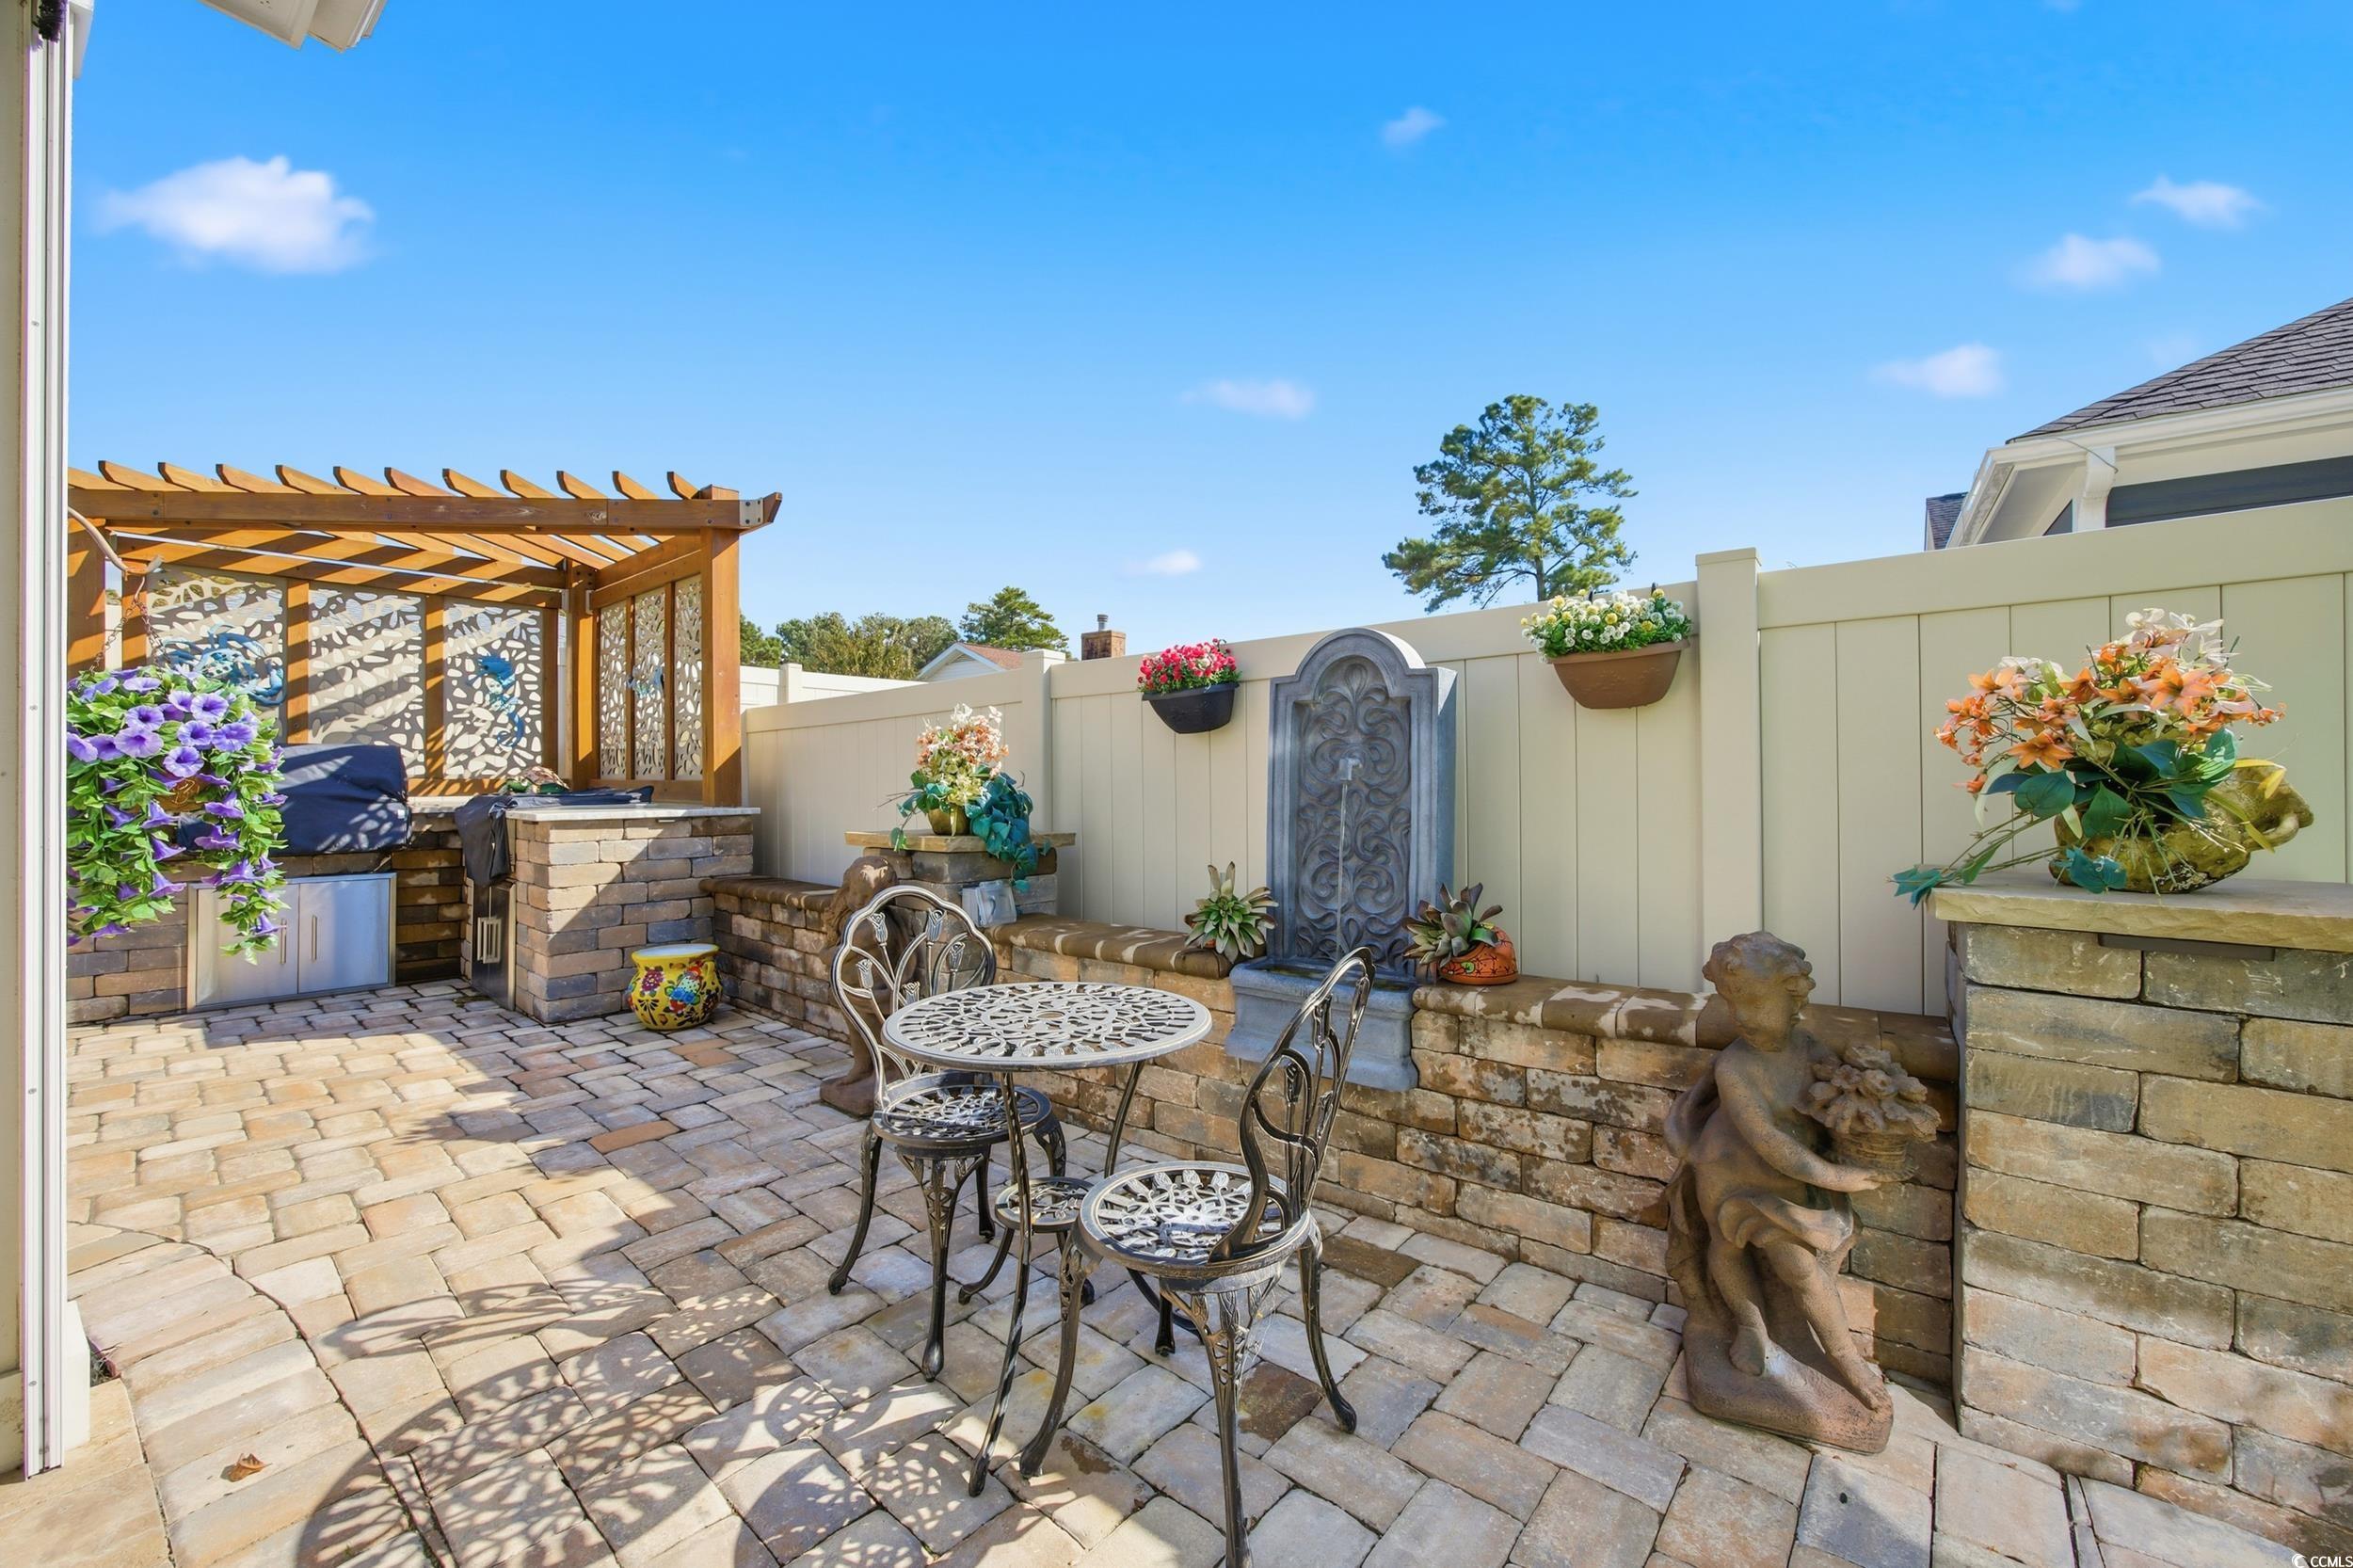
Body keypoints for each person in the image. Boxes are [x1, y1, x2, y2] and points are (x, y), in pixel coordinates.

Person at [1665, 931, 1889, 1412]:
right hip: (1729, 1174)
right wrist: (1836, 1177)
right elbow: (1769, 1142)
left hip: (1790, 1179)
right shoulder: (1735, 1066)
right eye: (1732, 1005)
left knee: (1802, 1270)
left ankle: (1845, 1357)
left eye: (1755, 1004)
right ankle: (1751, 1326)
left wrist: (1876, 1103)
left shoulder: (1808, 1049)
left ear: (1794, 998)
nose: (1742, 1018)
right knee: (1730, 1249)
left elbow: (1839, 1092)